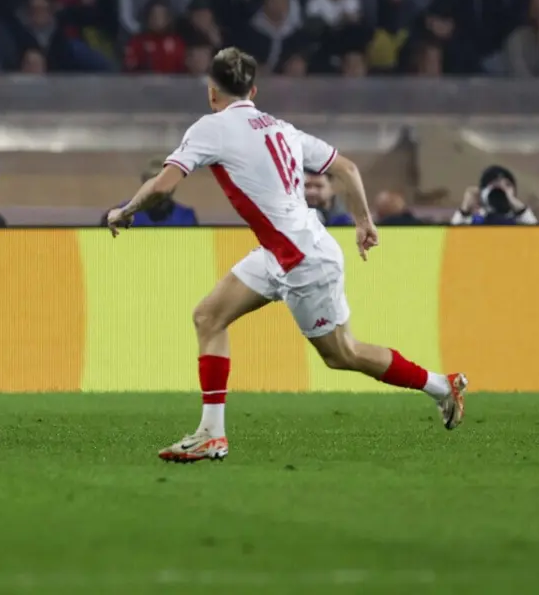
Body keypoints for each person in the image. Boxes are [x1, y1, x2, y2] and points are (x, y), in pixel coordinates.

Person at [104, 47, 467, 463]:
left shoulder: (211, 127)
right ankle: (211, 434)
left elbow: (165, 185)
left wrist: (125, 210)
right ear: (253, 90)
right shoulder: (281, 128)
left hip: (304, 260)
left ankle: (442, 385)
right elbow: (346, 168)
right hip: (280, 252)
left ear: (211, 93)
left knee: (342, 354)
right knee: (208, 316)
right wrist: (364, 221)